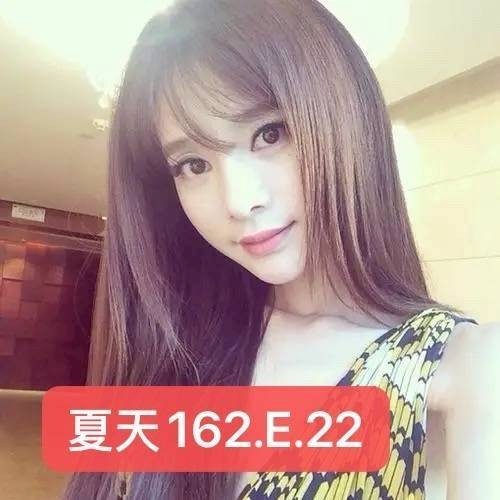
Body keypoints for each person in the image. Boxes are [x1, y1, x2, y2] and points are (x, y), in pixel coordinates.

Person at [61, 0, 499, 499]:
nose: (239, 201)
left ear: (347, 122)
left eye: (269, 134)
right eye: (193, 165)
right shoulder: (179, 342)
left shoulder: (461, 367)